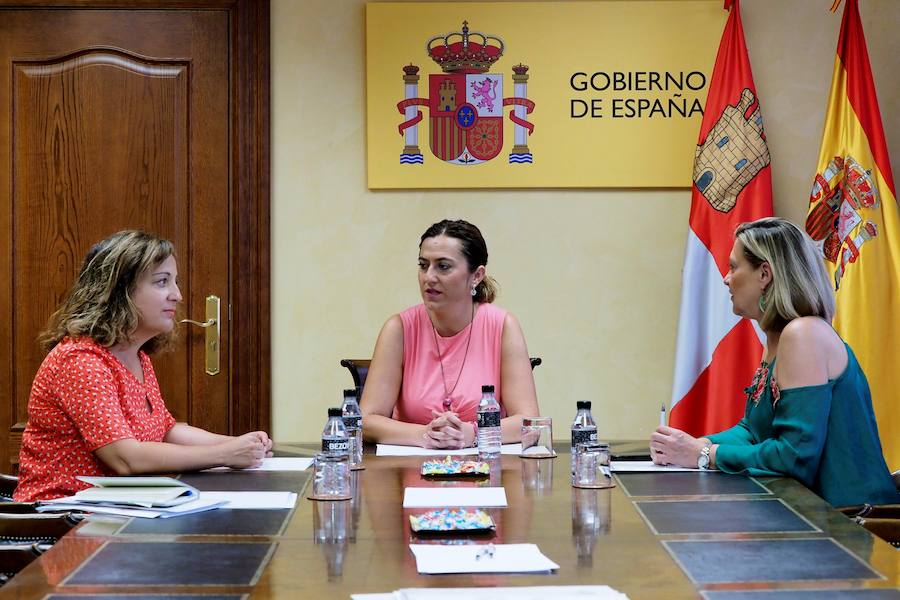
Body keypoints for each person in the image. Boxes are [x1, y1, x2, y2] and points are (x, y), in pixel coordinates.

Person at [650, 217, 900, 508]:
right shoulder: (779, 338)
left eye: (733, 266)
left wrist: (705, 455)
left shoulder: (802, 334)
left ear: (764, 273)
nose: (726, 278)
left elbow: (795, 457)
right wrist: (689, 446)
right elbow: (752, 431)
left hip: (854, 528)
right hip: (813, 520)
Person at [14, 231, 272, 502]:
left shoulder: (136, 355)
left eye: (175, 282)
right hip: (63, 519)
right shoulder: (81, 361)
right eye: (162, 282)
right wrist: (225, 455)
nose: (177, 295)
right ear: (118, 292)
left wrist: (240, 443)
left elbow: (167, 430)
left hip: (115, 509)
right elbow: (125, 458)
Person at [360, 219, 539, 449]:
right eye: (423, 265)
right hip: (410, 474)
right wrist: (425, 435)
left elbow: (530, 424)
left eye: (443, 266)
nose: (429, 277)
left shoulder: (503, 326)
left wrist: (474, 434)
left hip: (485, 478)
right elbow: (365, 421)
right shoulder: (399, 329)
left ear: (476, 276)